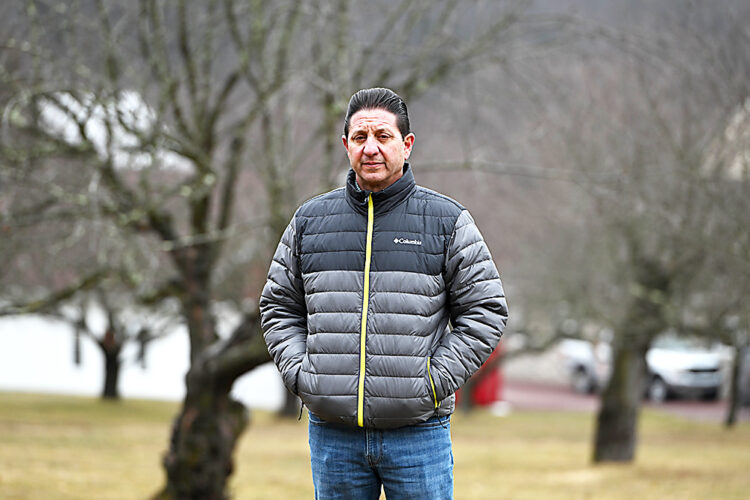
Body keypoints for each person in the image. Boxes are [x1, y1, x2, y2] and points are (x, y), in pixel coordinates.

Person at [260, 87, 508, 499]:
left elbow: (486, 310)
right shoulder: (309, 221)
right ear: (346, 145)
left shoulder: (447, 221)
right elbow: (278, 307)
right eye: (360, 137)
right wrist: (304, 375)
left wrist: (431, 383)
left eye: (383, 136)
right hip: (334, 435)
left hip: (418, 434)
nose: (370, 148)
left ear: (406, 145)